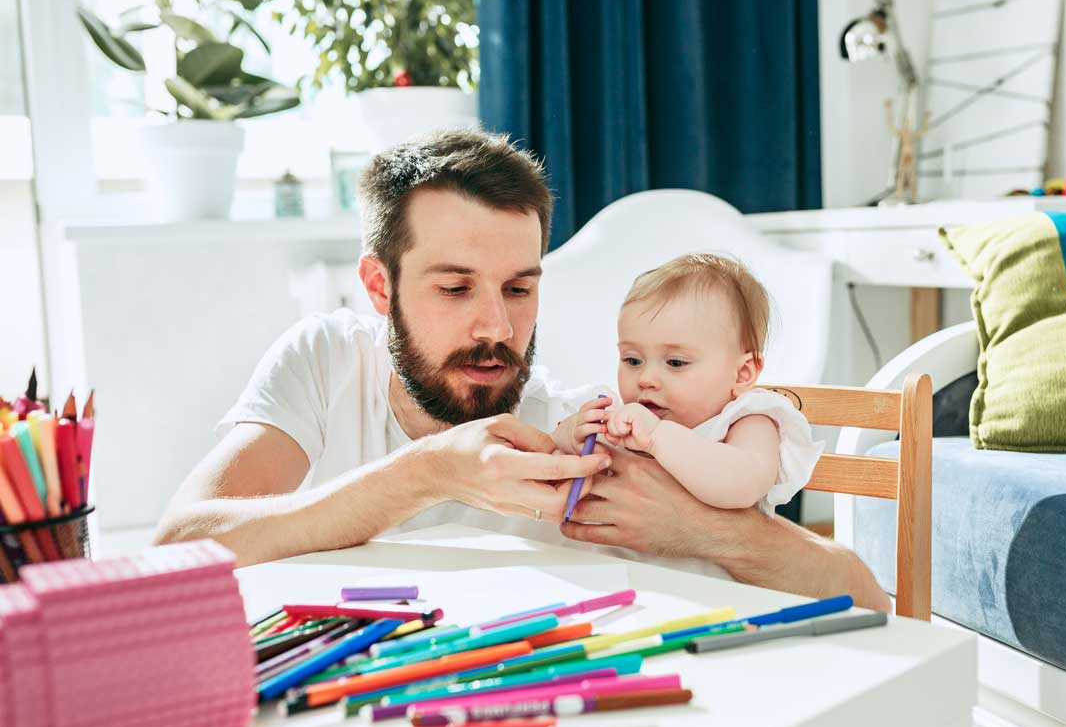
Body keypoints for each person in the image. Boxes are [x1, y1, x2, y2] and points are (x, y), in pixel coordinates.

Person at [153, 129, 889, 612]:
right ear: (379, 286)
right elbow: (179, 547)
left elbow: (865, 595)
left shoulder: (570, 434)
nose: (497, 329)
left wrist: (702, 530)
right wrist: (427, 472)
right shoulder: (326, 361)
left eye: (518, 287)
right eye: (454, 287)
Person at [553, 253, 822, 518]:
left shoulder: (747, 422)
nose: (646, 378)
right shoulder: (623, 419)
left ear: (741, 374)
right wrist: (570, 437)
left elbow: (742, 486)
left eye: (676, 363)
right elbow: (550, 461)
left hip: (697, 562)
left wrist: (658, 436)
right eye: (632, 360)